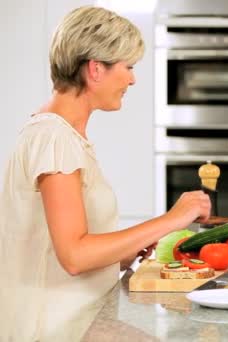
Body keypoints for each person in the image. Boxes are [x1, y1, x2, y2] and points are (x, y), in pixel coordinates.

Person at [0, 6, 211, 341]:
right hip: (57, 330)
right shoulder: (53, 137)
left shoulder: (63, 136)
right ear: (95, 69)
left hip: (81, 321)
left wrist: (127, 250)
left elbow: (62, 248)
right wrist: (172, 219)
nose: (132, 78)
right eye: (127, 66)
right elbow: (74, 255)